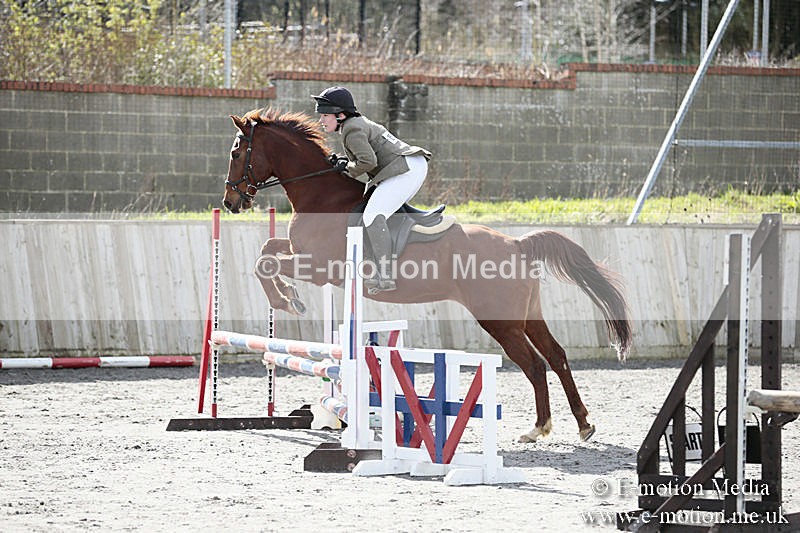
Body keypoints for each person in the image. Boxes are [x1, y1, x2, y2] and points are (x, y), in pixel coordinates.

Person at [312, 86, 432, 293]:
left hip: (405, 171)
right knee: (370, 210)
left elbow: (367, 162)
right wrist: (345, 162)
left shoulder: (352, 129)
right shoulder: (354, 124)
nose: (321, 121)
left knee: (373, 215)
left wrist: (347, 168)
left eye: (325, 115)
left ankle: (385, 275)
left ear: (340, 115)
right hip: (407, 166)